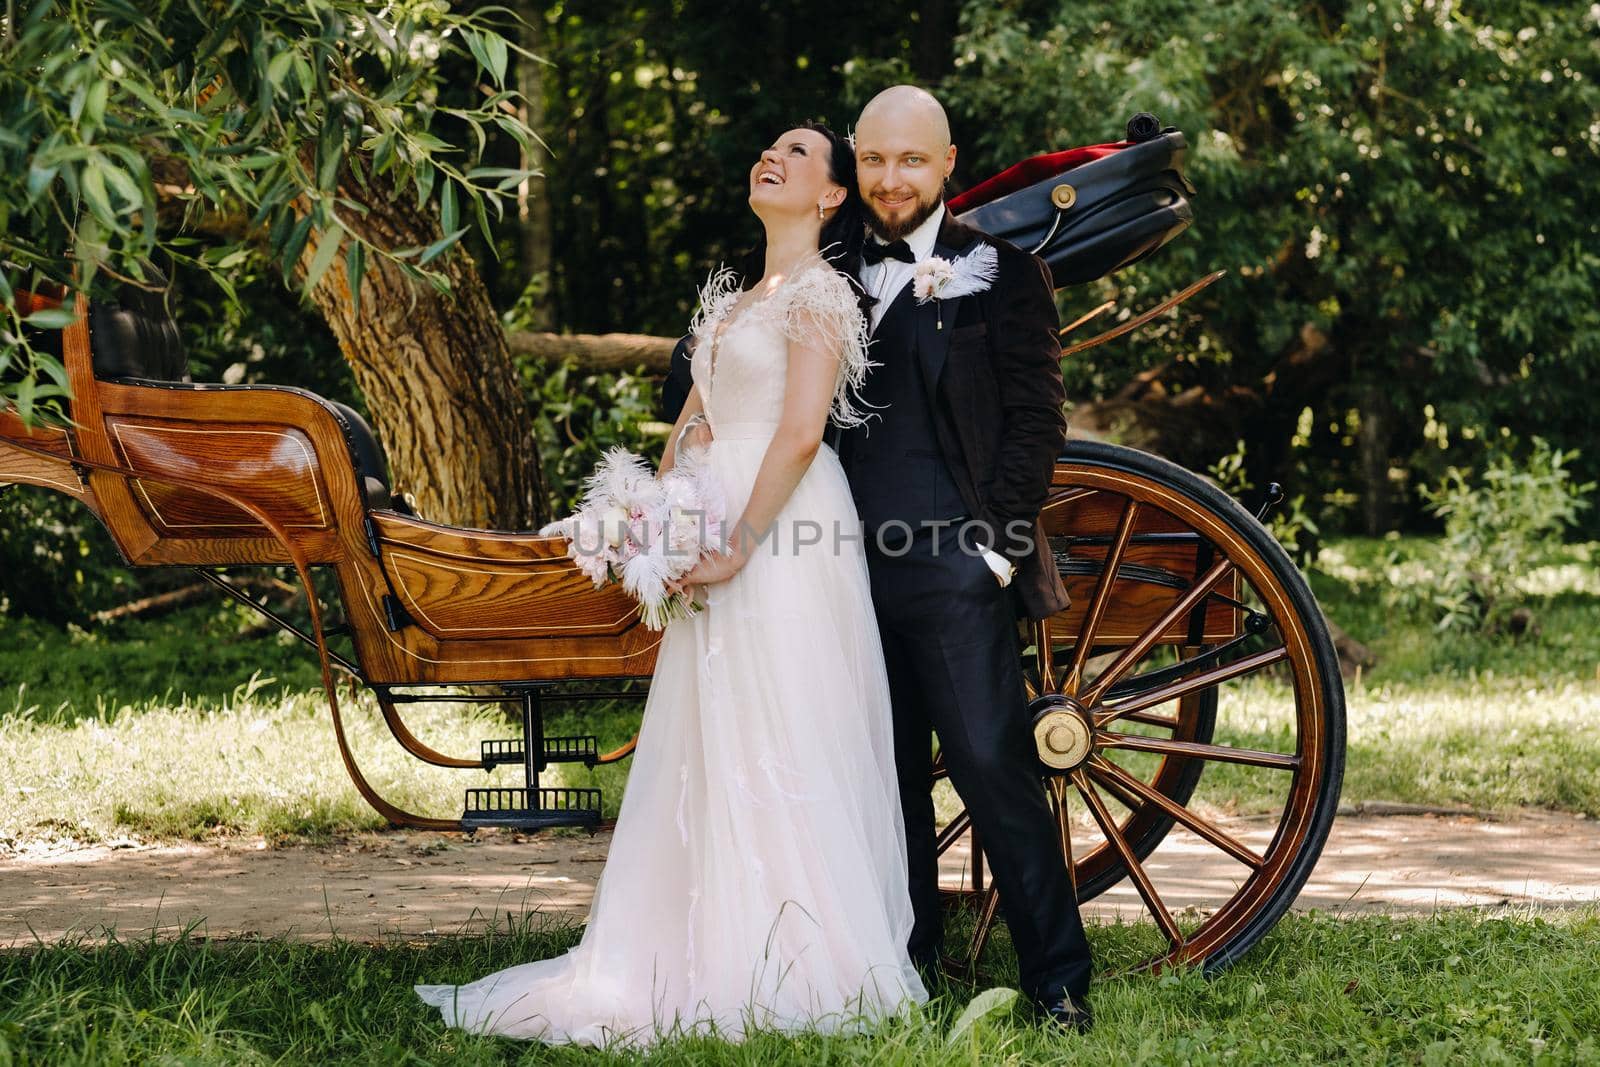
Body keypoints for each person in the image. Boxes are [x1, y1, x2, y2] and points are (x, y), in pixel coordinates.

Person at [414, 121, 928, 1046]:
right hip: (711, 519)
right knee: (709, 725)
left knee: (786, 719)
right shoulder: (732, 303)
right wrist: (661, 513)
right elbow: (691, 420)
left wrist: (735, 539)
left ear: (832, 196)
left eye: (801, 155)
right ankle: (694, 939)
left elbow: (803, 431)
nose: (773, 157)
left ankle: (804, 957)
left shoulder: (817, 295)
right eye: (768, 146)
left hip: (782, 527)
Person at [835, 85, 1094, 1031]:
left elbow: (1037, 420)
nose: (891, 178)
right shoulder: (819, 265)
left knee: (993, 766)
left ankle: (1059, 981)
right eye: (873, 159)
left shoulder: (1006, 272)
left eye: (911, 160)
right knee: (882, 774)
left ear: (947, 162)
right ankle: (908, 966)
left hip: (955, 563)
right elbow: (705, 358)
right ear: (853, 163)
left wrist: (994, 547)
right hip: (838, 569)